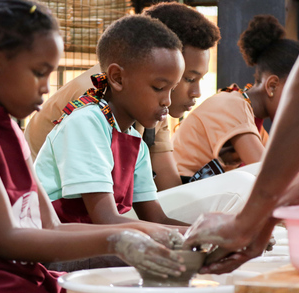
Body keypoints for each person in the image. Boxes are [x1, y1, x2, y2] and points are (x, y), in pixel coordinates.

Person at [0, 2, 186, 293]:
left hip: (5, 273)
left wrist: (144, 235)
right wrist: (119, 240)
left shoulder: (8, 128)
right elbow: (7, 240)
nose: (45, 88)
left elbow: (52, 226)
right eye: (39, 73)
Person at [184, 0, 299, 274]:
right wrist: (255, 221)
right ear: (272, 86)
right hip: (181, 195)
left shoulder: (260, 128)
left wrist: (254, 221)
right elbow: (263, 171)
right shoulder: (230, 103)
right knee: (249, 181)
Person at [24, 2, 220, 191]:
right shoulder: (91, 102)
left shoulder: (152, 107)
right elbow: (101, 210)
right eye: (190, 78)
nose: (197, 92)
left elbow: (167, 188)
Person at [35, 15, 188, 233]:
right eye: (158, 87)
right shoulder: (86, 123)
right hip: (56, 244)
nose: (167, 101)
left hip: (94, 241)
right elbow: (106, 220)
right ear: (117, 78)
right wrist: (194, 237)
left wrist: (209, 234)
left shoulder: (136, 142)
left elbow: (156, 218)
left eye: (171, 90)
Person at [173, 15, 299, 179]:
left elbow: (282, 173)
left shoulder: (258, 131)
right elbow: (270, 176)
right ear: (272, 86)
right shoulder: (232, 104)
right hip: (176, 193)